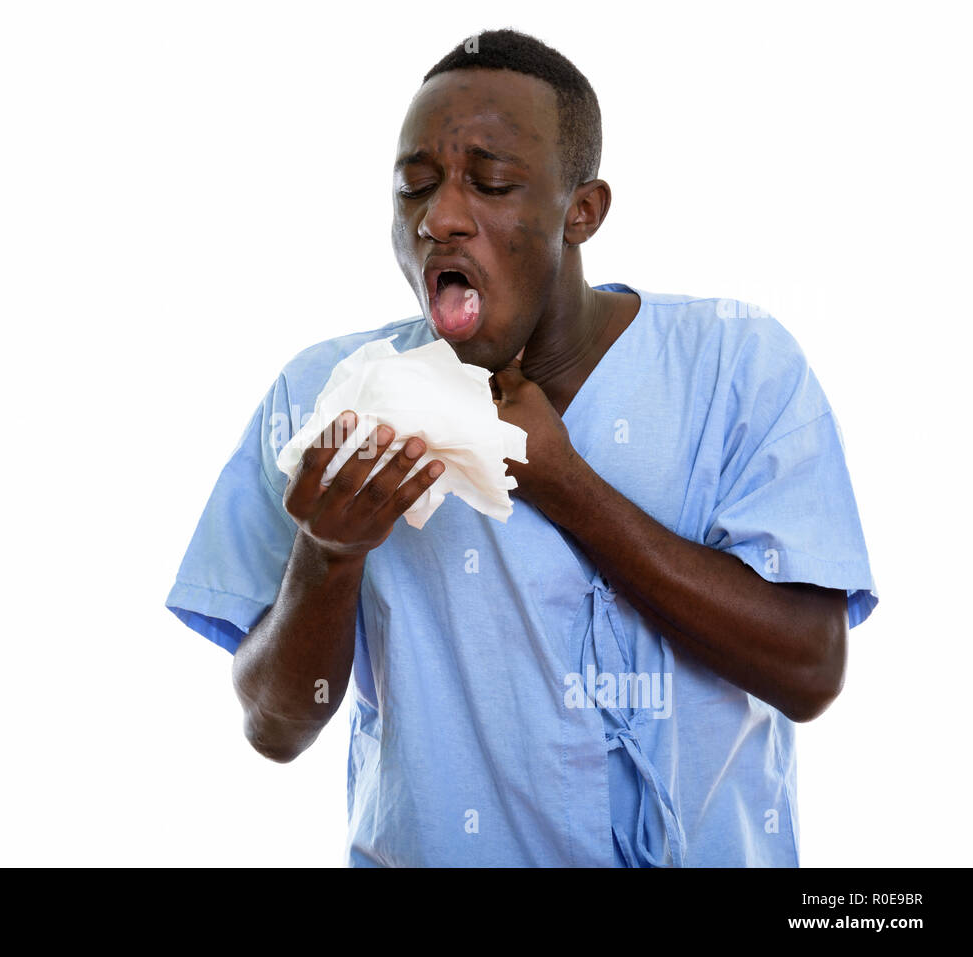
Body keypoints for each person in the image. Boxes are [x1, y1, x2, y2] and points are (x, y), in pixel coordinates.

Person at [164, 28, 878, 867]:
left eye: (492, 183)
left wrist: (567, 484)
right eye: (414, 188)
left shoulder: (737, 364)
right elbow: (275, 726)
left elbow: (810, 669)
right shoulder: (327, 399)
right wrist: (328, 555)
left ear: (583, 210)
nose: (440, 218)